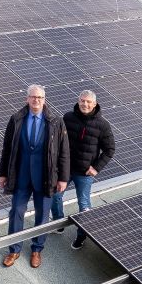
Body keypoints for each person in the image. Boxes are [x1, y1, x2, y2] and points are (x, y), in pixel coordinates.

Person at [0, 85, 70, 268]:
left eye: (39, 97)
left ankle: (37, 249)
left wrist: (63, 178)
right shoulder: (16, 120)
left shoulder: (55, 122)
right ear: (27, 99)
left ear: (44, 100)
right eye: (32, 97)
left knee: (43, 214)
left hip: (45, 177)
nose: (36, 100)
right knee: (16, 211)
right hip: (21, 176)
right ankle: (14, 249)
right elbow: (7, 148)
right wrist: (3, 173)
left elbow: (64, 152)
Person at [52, 90, 115, 250]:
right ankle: (58, 223)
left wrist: (96, 168)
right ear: (78, 101)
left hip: (85, 173)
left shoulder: (102, 125)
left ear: (94, 104)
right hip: (65, 169)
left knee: (84, 203)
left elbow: (110, 149)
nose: (85, 104)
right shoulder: (68, 118)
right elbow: (59, 141)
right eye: (82, 101)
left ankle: (81, 236)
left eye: (88, 102)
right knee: (55, 195)